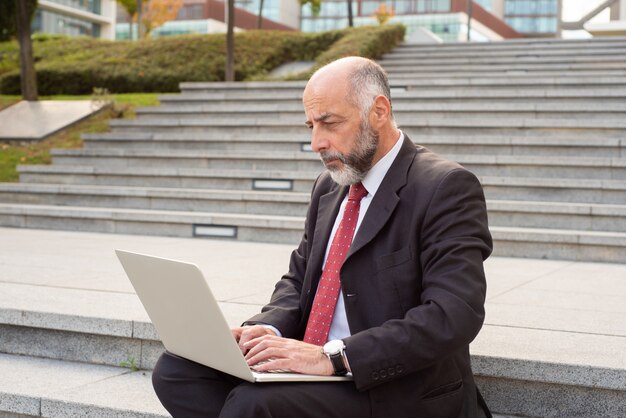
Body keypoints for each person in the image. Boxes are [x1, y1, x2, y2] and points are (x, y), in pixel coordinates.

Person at [151, 56, 493, 418]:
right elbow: (299, 279)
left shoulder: (445, 187)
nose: (316, 142)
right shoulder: (329, 187)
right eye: (311, 125)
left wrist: (332, 357)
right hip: (316, 367)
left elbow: (453, 315)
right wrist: (264, 330)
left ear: (379, 111)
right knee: (176, 372)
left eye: (329, 123)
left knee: (252, 406)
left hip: (393, 385)